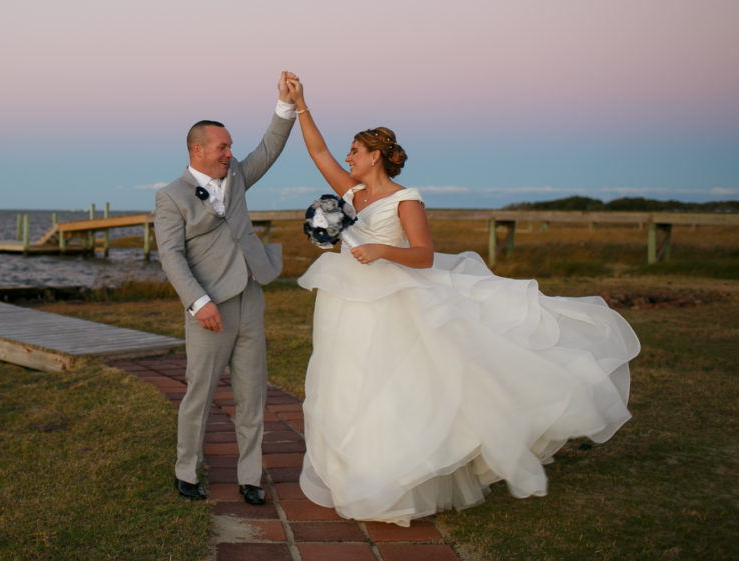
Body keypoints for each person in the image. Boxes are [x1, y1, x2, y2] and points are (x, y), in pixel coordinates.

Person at [285, 77, 640, 526]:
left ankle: (395, 477)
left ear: (374, 156)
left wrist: (381, 250)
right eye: (348, 153)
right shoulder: (352, 194)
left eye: (354, 151)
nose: (347, 158)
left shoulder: (405, 199)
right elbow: (318, 153)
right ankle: (353, 473)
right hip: (348, 301)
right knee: (347, 382)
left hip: (392, 300)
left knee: (390, 385)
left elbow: (423, 254)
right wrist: (300, 105)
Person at [155, 71, 298, 505]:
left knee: (252, 391)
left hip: (250, 295)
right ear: (198, 150)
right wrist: (198, 303)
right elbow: (171, 255)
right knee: (199, 393)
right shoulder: (171, 196)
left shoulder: (236, 175)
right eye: (222, 147)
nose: (230, 154)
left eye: (231, 146)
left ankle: (250, 476)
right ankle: (186, 470)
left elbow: (269, 149)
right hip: (209, 307)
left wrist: (285, 105)